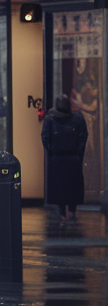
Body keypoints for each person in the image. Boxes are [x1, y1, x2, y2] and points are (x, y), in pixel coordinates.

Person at [41, 93, 88, 221]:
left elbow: (45, 137)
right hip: (72, 158)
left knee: (61, 188)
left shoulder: (50, 119)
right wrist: (79, 153)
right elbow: (83, 136)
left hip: (58, 158)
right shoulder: (77, 118)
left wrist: (51, 152)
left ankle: (63, 213)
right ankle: (71, 211)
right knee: (73, 187)